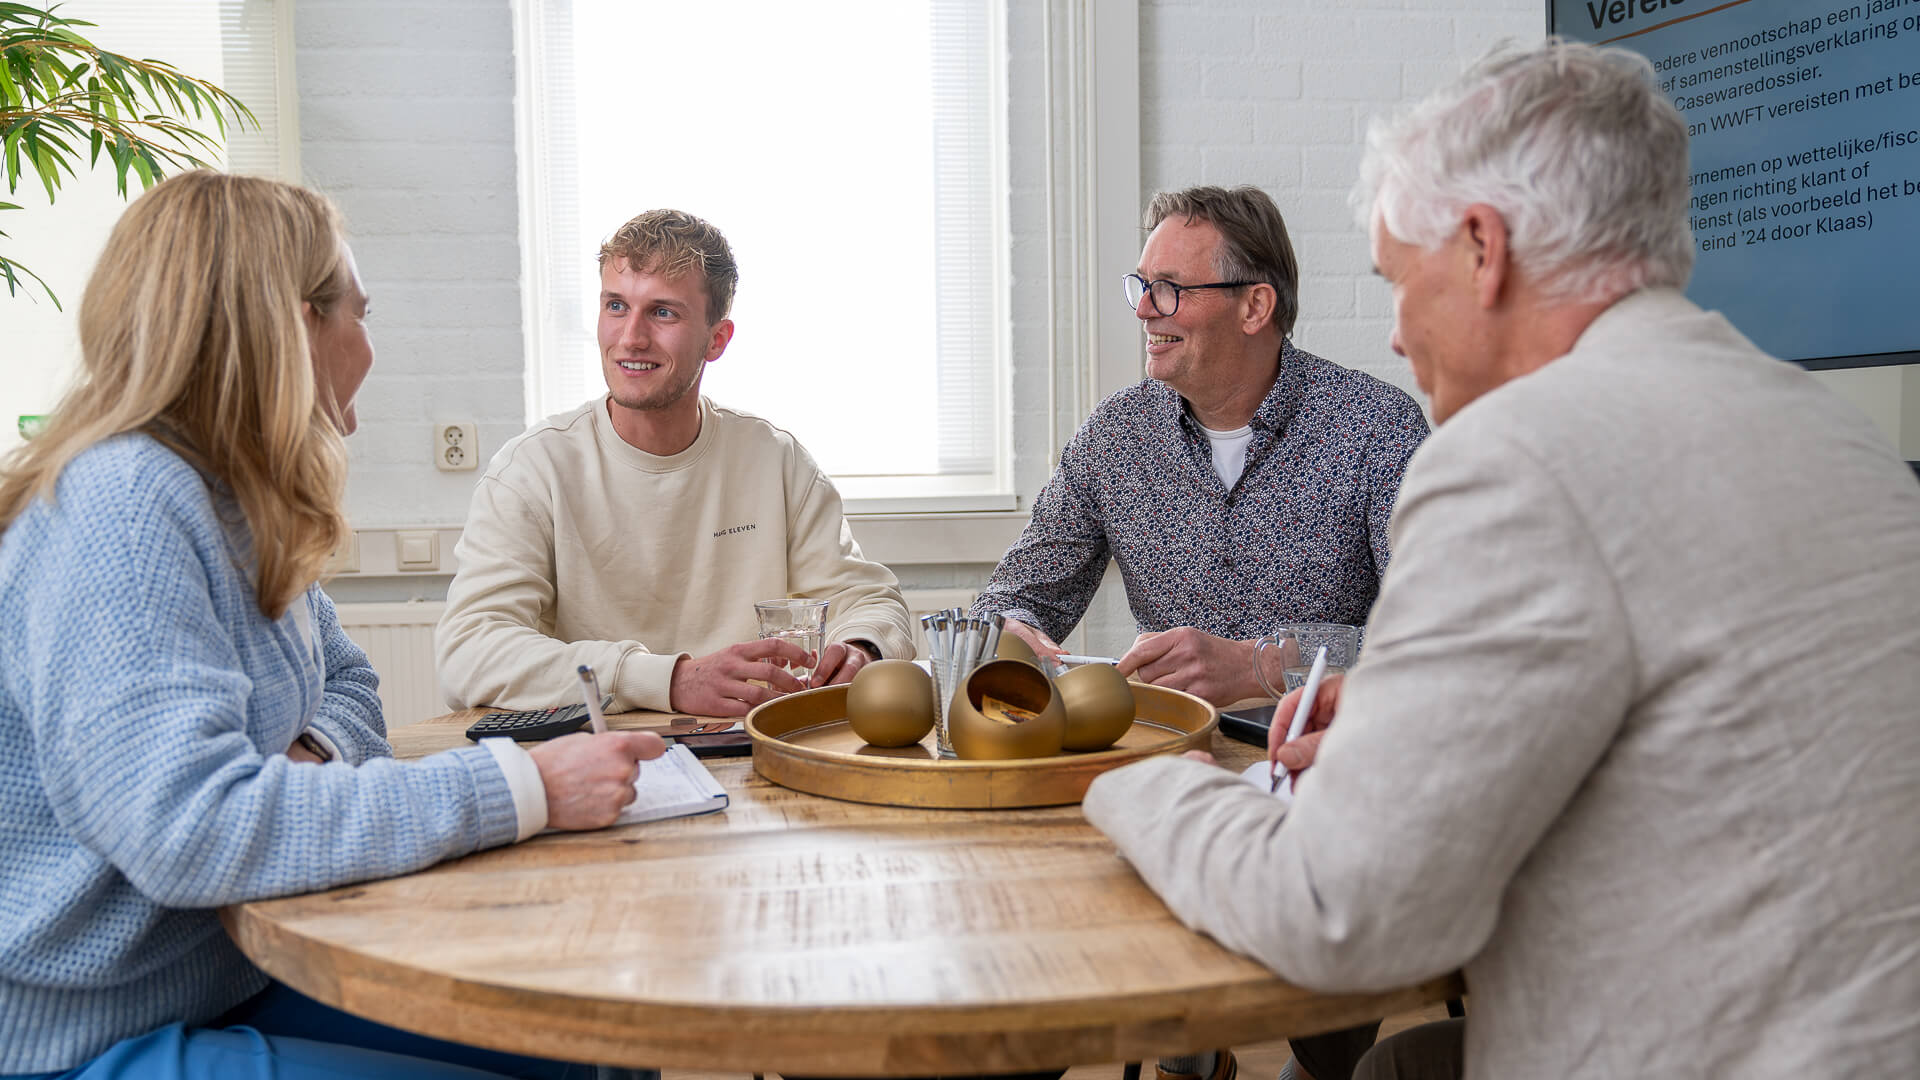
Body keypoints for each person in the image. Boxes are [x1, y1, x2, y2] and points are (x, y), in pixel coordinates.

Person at [1083, 40, 1920, 1080]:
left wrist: (1129, 773)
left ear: (1484, 247)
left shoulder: (1511, 458)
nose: (1393, 335)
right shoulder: (1841, 438)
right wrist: (1406, 707)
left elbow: (1335, 913)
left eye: (1398, 279)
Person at [0, 172, 669, 1078]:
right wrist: (523, 786)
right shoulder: (121, 503)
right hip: (88, 1034)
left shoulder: (239, 502)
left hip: (231, 965)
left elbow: (349, 686)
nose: (370, 345)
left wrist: (303, 761)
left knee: (599, 1039)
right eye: (359, 312)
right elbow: (190, 827)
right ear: (291, 327)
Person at [436, 209, 912, 718]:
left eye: (663, 313)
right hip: (596, 757)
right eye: (616, 306)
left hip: (748, 745)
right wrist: (670, 680)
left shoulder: (775, 460)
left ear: (717, 339)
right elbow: (469, 653)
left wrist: (861, 650)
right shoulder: (532, 469)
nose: (631, 337)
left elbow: (871, 602)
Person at [971, 185, 1428, 708]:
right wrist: (1012, 631)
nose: (1144, 309)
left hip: (1330, 762)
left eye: (1168, 288)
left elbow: (1439, 634)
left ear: (1254, 307)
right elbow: (1012, 599)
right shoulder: (1115, 436)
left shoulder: (1377, 428)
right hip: (1172, 756)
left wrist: (1265, 665)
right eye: (1141, 286)